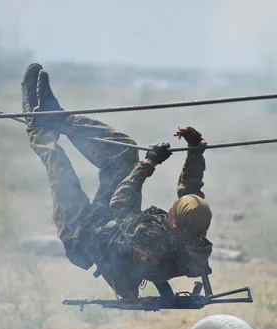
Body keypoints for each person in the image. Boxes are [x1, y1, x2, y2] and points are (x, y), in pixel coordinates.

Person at [21, 63, 213, 298]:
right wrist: (195, 149)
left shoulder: (153, 242)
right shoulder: (193, 230)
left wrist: (149, 164)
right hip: (110, 225)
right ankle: (58, 118)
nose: (171, 208)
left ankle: (35, 124)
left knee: (61, 171)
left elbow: (121, 203)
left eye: (173, 211)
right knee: (125, 151)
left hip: (83, 235)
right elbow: (191, 192)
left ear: (175, 224)